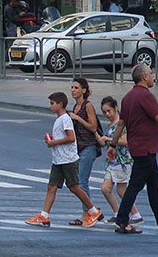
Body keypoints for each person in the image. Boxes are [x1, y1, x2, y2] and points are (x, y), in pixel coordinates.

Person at [107, 64, 158, 234]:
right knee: (135, 185)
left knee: (153, 185)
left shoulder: (128, 97)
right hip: (145, 148)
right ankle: (122, 221)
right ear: (144, 77)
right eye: (151, 73)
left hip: (141, 148)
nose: (153, 76)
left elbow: (121, 124)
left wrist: (113, 145)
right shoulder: (145, 96)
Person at [25, 92, 103, 228]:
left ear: (60, 104)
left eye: (52, 103)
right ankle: (44, 216)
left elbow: (71, 138)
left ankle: (93, 211)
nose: (50, 106)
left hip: (68, 159)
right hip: (59, 160)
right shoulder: (59, 119)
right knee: (51, 186)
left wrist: (53, 143)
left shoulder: (65, 119)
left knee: (74, 187)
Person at [96, 96, 143, 226]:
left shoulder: (122, 125)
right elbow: (104, 142)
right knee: (105, 189)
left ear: (116, 109)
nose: (107, 114)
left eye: (109, 111)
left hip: (123, 161)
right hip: (112, 162)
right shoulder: (111, 125)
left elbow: (125, 141)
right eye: (104, 112)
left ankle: (136, 215)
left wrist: (110, 140)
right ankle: (117, 213)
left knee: (121, 191)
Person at [68, 78, 100, 225]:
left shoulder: (88, 106)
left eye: (76, 87)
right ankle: (90, 210)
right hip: (78, 148)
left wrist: (76, 118)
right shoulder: (75, 107)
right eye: (72, 87)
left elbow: (93, 127)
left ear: (84, 90)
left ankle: (88, 213)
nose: (73, 90)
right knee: (79, 181)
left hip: (89, 147)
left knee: (82, 182)